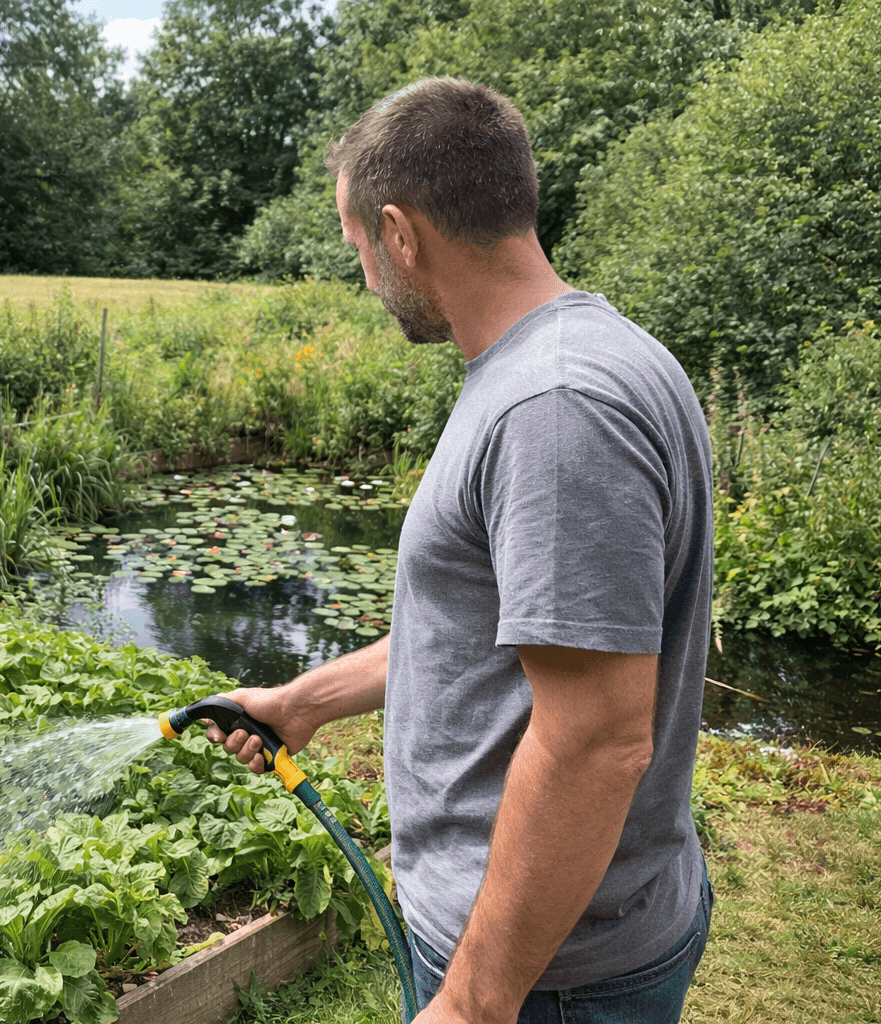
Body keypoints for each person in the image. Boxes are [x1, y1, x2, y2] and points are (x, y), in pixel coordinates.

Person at [203, 77, 714, 1024]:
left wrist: (478, 1000)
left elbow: (595, 740)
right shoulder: (570, 359)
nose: (364, 276)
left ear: (401, 234)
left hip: (545, 976)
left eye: (358, 246)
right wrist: (301, 702)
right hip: (556, 948)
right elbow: (489, 636)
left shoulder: (555, 409)